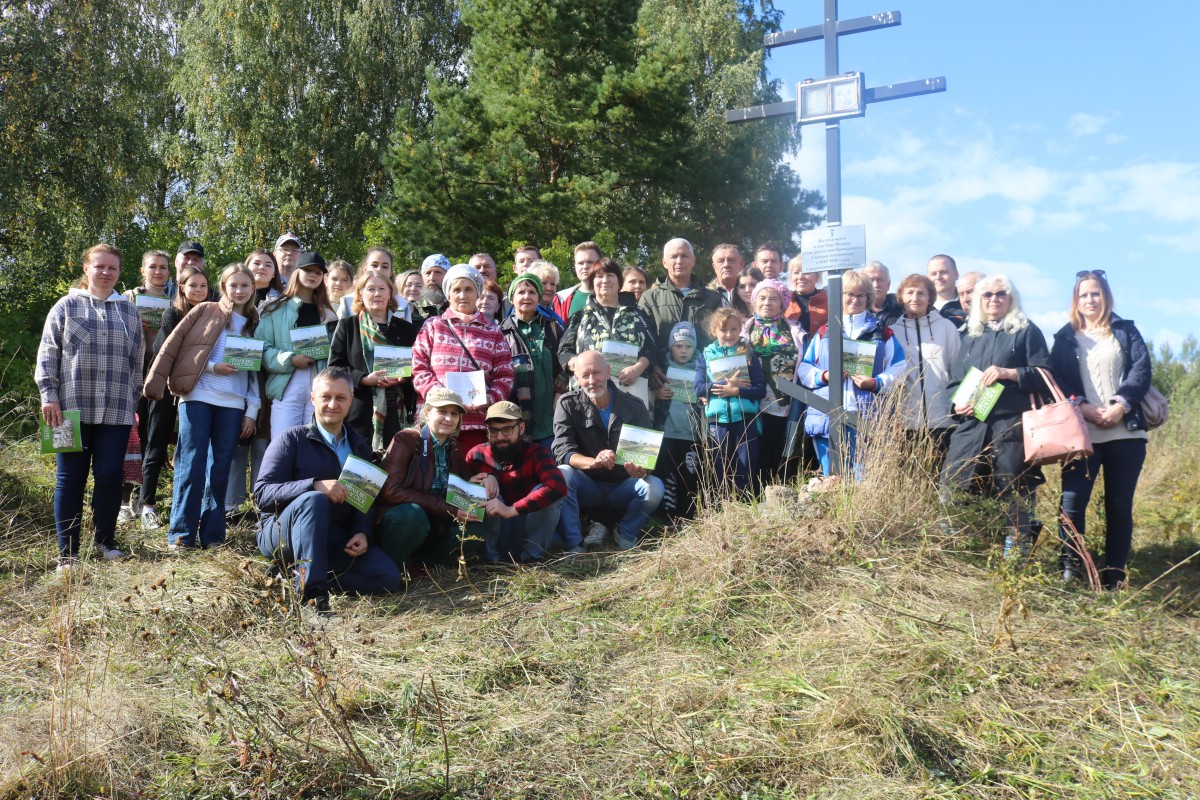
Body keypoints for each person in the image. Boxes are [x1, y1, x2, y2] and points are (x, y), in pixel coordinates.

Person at [256, 367, 402, 618]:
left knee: (387, 577)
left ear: (351, 399)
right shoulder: (290, 439)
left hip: (331, 538)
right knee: (314, 500)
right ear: (313, 398)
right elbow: (262, 495)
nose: (332, 404)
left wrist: (362, 532)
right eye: (325, 397)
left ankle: (299, 573)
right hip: (282, 533)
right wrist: (313, 485)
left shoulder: (360, 446)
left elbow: (364, 501)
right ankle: (312, 599)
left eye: (340, 398)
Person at [37, 243, 144, 569]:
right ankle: (67, 555)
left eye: (112, 268)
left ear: (119, 272)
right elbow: (47, 354)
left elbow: (137, 361)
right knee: (69, 478)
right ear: (86, 269)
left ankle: (104, 542)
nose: (106, 272)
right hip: (65, 411)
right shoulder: (65, 306)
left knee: (110, 476)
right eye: (100, 266)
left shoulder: (128, 311)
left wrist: (132, 398)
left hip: (116, 412)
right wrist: (48, 395)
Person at [144, 264, 260, 549]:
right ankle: (181, 535)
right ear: (223, 287)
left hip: (233, 406)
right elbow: (177, 350)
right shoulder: (204, 311)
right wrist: (212, 367)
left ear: (252, 289)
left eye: (245, 285)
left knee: (219, 470)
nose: (239, 290)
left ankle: (213, 537)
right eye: (233, 285)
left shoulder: (256, 322)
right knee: (191, 467)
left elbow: (256, 373)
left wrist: (251, 410)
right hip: (197, 398)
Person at [1051, 270, 1151, 589]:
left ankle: (1114, 576)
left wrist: (1120, 405)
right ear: (1075, 300)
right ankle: (1072, 569)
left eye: (1096, 294)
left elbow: (1141, 371)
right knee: (1072, 502)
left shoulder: (1125, 330)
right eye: (1084, 295)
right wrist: (1081, 405)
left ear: (1105, 296)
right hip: (1082, 435)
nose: (1090, 300)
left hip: (1126, 434)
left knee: (1119, 506)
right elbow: (1056, 379)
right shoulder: (1064, 337)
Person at [942, 274, 1050, 556]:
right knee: (955, 486)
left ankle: (1014, 559)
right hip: (971, 425)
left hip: (1010, 425)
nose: (994, 299)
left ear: (1010, 298)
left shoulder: (1026, 330)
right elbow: (955, 381)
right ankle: (959, 554)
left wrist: (1009, 373)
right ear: (978, 300)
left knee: (1014, 491)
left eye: (1000, 294)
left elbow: (1046, 374)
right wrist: (956, 406)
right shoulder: (970, 333)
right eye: (987, 295)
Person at [797, 269, 906, 478]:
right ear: (839, 296)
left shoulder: (881, 332)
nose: (855, 299)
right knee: (831, 480)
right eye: (849, 294)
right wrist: (825, 376)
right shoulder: (824, 331)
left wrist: (876, 382)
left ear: (868, 297)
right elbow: (805, 368)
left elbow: (900, 366)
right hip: (826, 414)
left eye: (860, 295)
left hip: (864, 416)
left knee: (861, 479)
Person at [554, 351, 664, 551]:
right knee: (562, 473)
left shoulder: (635, 406)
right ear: (576, 379)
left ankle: (625, 533)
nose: (591, 380)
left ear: (608, 372)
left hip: (623, 484)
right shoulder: (567, 404)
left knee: (654, 487)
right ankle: (573, 543)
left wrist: (642, 470)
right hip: (587, 484)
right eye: (584, 376)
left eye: (596, 373)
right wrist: (593, 462)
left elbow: (647, 458)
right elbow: (563, 452)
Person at [137, 266, 211, 531]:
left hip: (199, 391)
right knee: (155, 445)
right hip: (166, 389)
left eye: (203, 286)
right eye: (193, 285)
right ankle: (147, 506)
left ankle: (192, 507)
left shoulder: (212, 315)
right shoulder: (172, 313)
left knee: (191, 450)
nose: (199, 290)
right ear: (182, 287)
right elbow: (165, 351)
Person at [411, 264, 514, 454]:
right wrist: (442, 398)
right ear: (448, 295)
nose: (462, 295)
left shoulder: (493, 332)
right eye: (456, 290)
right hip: (435, 422)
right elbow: (419, 368)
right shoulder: (433, 326)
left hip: (475, 425)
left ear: (478, 294)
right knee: (430, 479)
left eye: (468, 289)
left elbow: (505, 376)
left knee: (469, 480)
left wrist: (489, 398)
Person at [375, 388, 483, 570]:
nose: (449, 418)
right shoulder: (406, 439)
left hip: (436, 521)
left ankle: (425, 568)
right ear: (426, 413)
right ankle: (390, 567)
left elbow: (465, 484)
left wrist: (483, 480)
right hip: (403, 519)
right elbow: (391, 491)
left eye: (454, 414)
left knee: (476, 527)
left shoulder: (454, 446)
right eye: (442, 411)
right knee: (413, 515)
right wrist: (449, 509)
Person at [466, 401, 568, 563]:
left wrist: (511, 510)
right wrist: (477, 480)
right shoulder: (476, 455)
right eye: (493, 430)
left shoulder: (536, 454)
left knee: (548, 492)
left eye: (507, 429)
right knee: (478, 487)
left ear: (521, 428)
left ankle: (533, 560)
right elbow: (456, 491)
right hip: (495, 533)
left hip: (527, 530)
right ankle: (489, 562)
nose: (500, 437)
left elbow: (558, 486)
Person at [329, 269, 418, 451]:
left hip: (398, 412)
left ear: (390, 293)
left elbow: (417, 366)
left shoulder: (406, 329)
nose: (377, 294)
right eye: (370, 289)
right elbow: (334, 367)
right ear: (361, 294)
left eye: (382, 289)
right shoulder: (348, 326)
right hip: (361, 412)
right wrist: (364, 379)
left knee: (395, 468)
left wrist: (404, 377)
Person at [225, 250, 283, 519]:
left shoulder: (282, 303)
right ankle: (231, 507)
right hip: (236, 380)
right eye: (256, 263)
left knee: (263, 445)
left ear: (275, 271)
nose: (261, 268)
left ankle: (262, 506)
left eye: (268, 264)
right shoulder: (226, 308)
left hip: (269, 381)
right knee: (237, 442)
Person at [119, 249, 174, 522]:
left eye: (163, 267)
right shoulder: (127, 298)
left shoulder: (175, 300)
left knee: (156, 438)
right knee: (132, 437)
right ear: (143, 270)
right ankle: (123, 501)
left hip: (163, 375)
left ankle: (145, 502)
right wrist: (132, 327)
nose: (158, 272)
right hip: (134, 374)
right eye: (153, 267)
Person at [259, 251, 338, 436]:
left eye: (318, 272)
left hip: (320, 386)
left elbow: (336, 354)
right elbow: (262, 346)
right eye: (308, 270)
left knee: (315, 444)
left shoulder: (329, 315)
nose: (313, 275)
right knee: (283, 442)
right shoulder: (274, 309)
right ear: (297, 272)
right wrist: (290, 359)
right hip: (286, 385)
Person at [559, 258, 654, 402]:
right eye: (599, 276)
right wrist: (583, 368)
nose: (605, 280)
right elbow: (564, 352)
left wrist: (636, 369)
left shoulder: (639, 314)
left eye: (610, 275)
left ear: (619, 282)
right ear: (592, 283)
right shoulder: (580, 316)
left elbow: (651, 348)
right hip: (589, 393)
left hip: (632, 392)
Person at [890, 274, 961, 467]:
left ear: (930, 298)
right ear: (901, 297)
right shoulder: (892, 331)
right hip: (906, 422)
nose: (915, 298)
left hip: (942, 419)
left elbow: (957, 370)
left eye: (921, 293)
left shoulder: (947, 328)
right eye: (910, 292)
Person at [696, 307, 767, 495]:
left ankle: (744, 507)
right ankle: (722, 508)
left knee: (746, 467)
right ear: (714, 331)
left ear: (741, 329)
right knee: (719, 468)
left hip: (745, 419)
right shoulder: (705, 355)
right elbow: (698, 388)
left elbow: (760, 390)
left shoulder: (748, 354)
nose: (729, 334)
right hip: (718, 421)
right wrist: (723, 385)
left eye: (734, 329)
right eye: (723, 329)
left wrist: (737, 390)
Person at [742, 279, 806, 486]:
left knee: (782, 449)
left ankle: (782, 494)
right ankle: (757, 495)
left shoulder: (795, 329)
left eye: (773, 298)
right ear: (754, 301)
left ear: (782, 303)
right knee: (756, 451)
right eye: (762, 298)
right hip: (754, 402)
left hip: (785, 403)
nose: (767, 302)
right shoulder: (744, 328)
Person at [499, 272, 563, 448]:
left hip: (551, 420)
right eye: (521, 292)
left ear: (539, 297)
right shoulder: (501, 333)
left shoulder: (552, 327)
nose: (527, 296)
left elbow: (565, 364)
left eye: (532, 292)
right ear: (511, 299)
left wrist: (560, 391)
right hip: (517, 420)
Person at [652, 322, 703, 519]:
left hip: (691, 435)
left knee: (689, 476)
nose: (683, 351)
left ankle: (688, 516)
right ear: (670, 346)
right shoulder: (661, 368)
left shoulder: (702, 366)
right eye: (678, 346)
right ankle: (667, 517)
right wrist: (655, 394)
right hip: (666, 434)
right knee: (667, 475)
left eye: (688, 346)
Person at [639, 238, 723, 349]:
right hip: (662, 366)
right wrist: (656, 366)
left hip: (702, 365)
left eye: (684, 256)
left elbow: (721, 338)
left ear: (693, 260)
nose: (679, 261)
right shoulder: (649, 298)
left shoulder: (713, 298)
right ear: (664, 263)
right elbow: (644, 340)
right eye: (673, 257)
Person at [553, 241, 601, 322]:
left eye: (590, 262)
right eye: (580, 263)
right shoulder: (561, 299)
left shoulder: (616, 298)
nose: (585, 266)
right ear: (575, 266)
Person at [785, 257, 828, 334]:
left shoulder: (829, 300)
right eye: (796, 272)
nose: (800, 277)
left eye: (807, 272)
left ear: (817, 277)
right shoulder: (784, 302)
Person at [927, 254, 966, 327]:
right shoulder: (921, 306)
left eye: (943, 272)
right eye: (933, 274)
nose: (938, 277)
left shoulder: (968, 304)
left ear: (956, 274)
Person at [862, 261, 902, 326]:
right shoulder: (857, 311)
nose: (876, 285)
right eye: (871, 280)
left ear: (888, 285)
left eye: (880, 280)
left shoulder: (902, 308)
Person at [417, 253, 451, 319]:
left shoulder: (455, 306)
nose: (432, 278)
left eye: (438, 272)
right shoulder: (414, 308)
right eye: (428, 273)